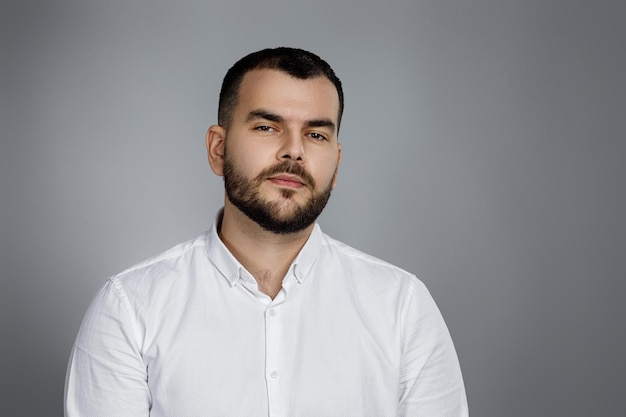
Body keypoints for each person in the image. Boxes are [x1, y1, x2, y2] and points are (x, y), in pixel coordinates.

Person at [64, 47, 469, 416]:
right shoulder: (129, 310)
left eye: (316, 134)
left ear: (337, 162)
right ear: (218, 149)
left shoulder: (402, 309)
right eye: (267, 127)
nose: (294, 151)